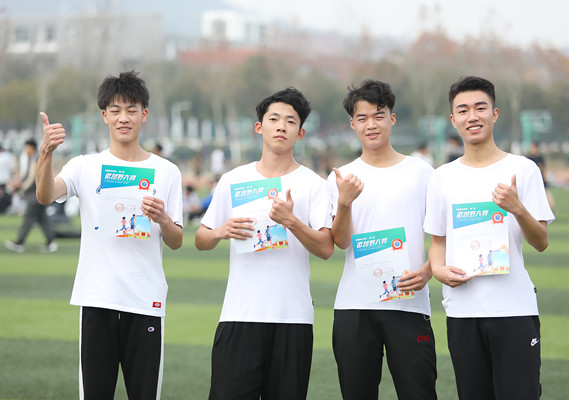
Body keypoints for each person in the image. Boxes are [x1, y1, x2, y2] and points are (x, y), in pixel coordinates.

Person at [35, 70, 183, 399]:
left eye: (131, 110)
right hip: (97, 298)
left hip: (145, 301)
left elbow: (176, 240)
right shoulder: (84, 166)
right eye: (115, 110)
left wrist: (162, 219)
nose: (123, 118)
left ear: (144, 114)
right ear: (104, 116)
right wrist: (45, 153)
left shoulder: (166, 171)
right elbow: (45, 195)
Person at [195, 87, 333, 400]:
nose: (281, 126)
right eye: (274, 119)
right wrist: (220, 231)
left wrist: (291, 221)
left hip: (292, 319)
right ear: (259, 127)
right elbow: (201, 239)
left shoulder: (313, 184)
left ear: (301, 133)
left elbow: (326, 248)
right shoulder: (233, 179)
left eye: (291, 121)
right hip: (239, 315)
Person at [424, 76, 554, 400]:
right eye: (463, 110)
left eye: (480, 108)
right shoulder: (442, 177)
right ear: (453, 120)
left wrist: (517, 208)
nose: (473, 116)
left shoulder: (523, 169)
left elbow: (541, 241)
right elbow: (438, 242)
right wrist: (437, 270)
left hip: (513, 309)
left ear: (494, 114)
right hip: (462, 312)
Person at [327, 79, 437, 399]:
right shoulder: (340, 177)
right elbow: (340, 241)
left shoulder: (422, 173)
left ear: (392, 118)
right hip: (355, 306)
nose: (371, 124)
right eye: (362, 118)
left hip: (409, 302)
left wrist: (428, 271)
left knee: (419, 393)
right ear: (352, 124)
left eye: (379, 115)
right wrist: (344, 202)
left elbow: (443, 235)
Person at [5, 139, 57, 253]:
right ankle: (50, 242)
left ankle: (19, 242)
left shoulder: (35, 158)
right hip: (38, 195)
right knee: (42, 219)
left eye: (26, 147)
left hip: (35, 195)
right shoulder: (34, 158)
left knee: (28, 220)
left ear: (31, 147)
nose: (25, 150)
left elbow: (32, 178)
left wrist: (21, 187)